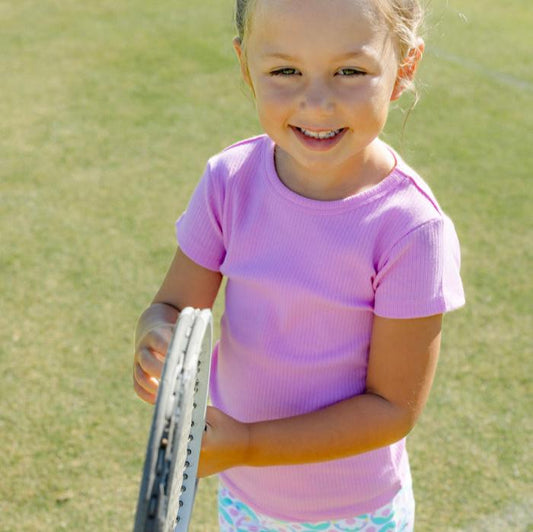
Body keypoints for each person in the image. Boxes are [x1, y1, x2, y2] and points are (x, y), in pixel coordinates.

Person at [133, 0, 465, 529]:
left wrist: (246, 444)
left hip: (352, 513)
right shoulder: (229, 181)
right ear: (246, 67)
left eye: (350, 71)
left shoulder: (409, 228)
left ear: (404, 69)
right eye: (285, 70)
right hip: (244, 499)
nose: (317, 102)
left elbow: (392, 408)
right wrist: (158, 342)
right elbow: (172, 306)